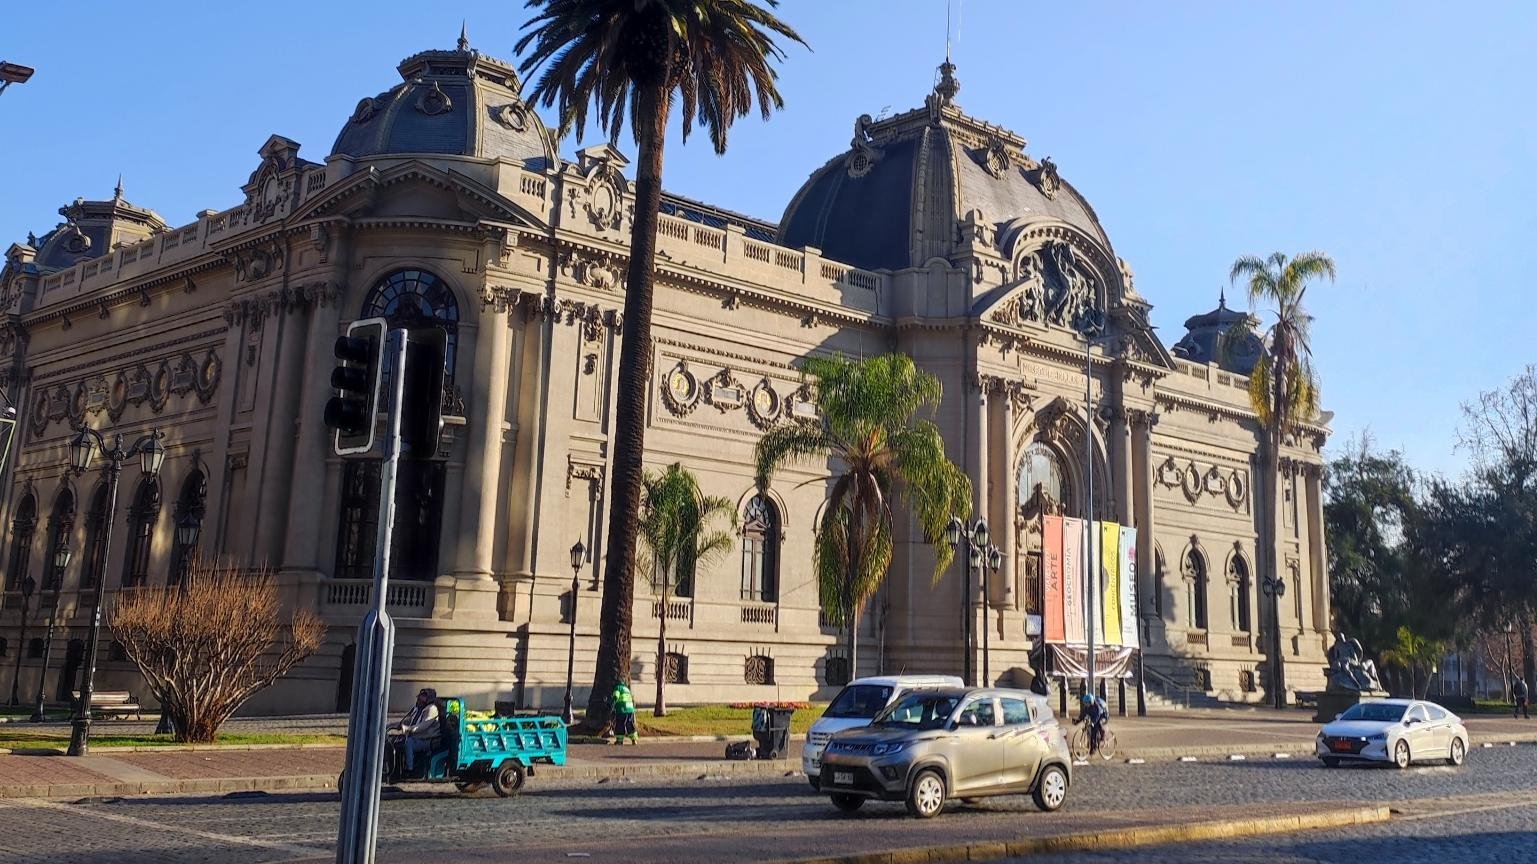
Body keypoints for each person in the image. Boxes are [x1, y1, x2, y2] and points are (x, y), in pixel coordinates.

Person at [390, 688, 441, 775]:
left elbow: (422, 726)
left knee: (408, 743)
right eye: (419, 697)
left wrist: (408, 728)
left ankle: (410, 770)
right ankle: (395, 768)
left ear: (429, 698)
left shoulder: (431, 709)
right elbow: (408, 720)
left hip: (427, 740)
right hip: (416, 737)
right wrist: (392, 726)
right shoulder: (417, 708)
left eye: (423, 697)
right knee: (394, 740)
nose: (419, 699)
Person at [611, 678, 638, 745]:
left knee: (620, 724)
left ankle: (619, 740)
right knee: (629, 724)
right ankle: (634, 739)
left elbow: (616, 697)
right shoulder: (626, 689)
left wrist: (612, 705)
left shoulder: (618, 687)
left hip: (622, 709)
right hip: (630, 709)